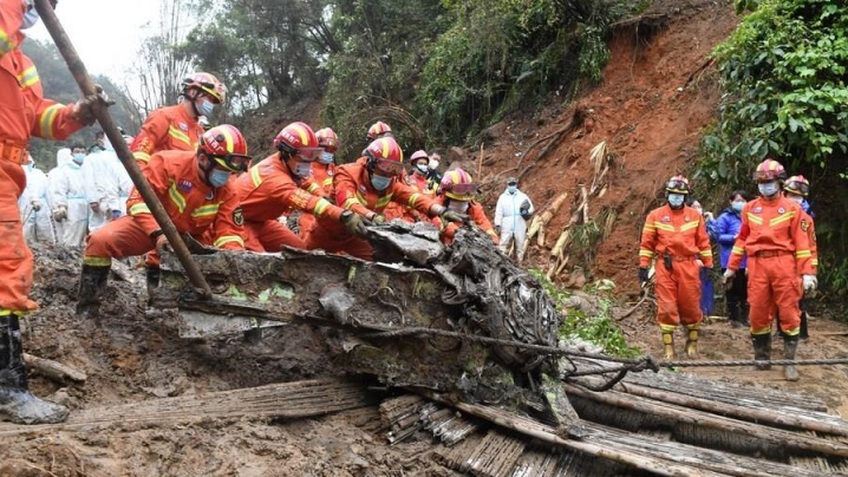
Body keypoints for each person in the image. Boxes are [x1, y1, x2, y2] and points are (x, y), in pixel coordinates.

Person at [1, 0, 110, 424]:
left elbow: (34, 115)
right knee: (6, 268)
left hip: (10, 168)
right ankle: (6, 388)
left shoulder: (20, 58)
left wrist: (76, 114)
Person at [78, 125, 251, 315]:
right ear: (203, 159)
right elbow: (137, 201)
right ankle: (88, 308)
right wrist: (158, 232)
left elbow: (230, 233)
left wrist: (234, 261)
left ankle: (176, 305)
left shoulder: (228, 188)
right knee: (100, 241)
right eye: (223, 170)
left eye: (230, 172)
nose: (226, 177)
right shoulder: (168, 164)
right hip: (150, 227)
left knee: (200, 281)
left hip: (193, 239)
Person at [723, 159, 816, 381]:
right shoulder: (749, 208)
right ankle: (761, 359)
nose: (765, 185)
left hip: (785, 264)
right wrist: (731, 268)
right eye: (761, 182)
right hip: (757, 265)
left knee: (789, 312)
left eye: (769, 181)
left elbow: (803, 246)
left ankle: (789, 362)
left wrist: (808, 274)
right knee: (757, 312)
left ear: (780, 182)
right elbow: (742, 240)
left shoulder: (794, 210)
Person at [304, 136, 467, 260]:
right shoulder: (347, 173)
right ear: (371, 163)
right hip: (326, 232)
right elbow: (347, 202)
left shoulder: (390, 183)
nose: (389, 173)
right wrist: (372, 216)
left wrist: (441, 211)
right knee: (301, 258)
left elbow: (414, 197)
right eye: (385, 167)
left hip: (356, 235)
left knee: (378, 263)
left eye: (394, 169)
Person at [237, 122, 365, 252]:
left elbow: (307, 183)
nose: (309, 161)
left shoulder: (288, 165)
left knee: (299, 251)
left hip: (261, 221)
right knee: (259, 263)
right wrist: (343, 215)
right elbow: (306, 201)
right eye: (306, 155)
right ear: (287, 153)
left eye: (313, 154)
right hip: (239, 221)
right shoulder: (274, 178)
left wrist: (323, 197)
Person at [638, 175, 713, 359]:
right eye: (673, 194)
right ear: (667, 194)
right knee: (667, 306)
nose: (676, 197)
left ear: (686, 196)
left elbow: (703, 242)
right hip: (666, 266)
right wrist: (643, 266)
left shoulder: (695, 216)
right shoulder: (655, 216)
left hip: (688, 265)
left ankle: (692, 342)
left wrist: (709, 265)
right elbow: (647, 244)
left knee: (691, 306)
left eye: (680, 195)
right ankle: (668, 347)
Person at [130, 72, 226, 167]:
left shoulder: (201, 134)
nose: (211, 104)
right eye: (209, 98)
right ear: (193, 92)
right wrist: (143, 179)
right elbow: (139, 154)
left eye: (214, 101)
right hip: (152, 180)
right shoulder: (164, 116)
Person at [780, 175, 817, 340]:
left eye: (799, 197)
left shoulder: (807, 219)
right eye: (792, 195)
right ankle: (780, 331)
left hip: (799, 266)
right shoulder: (776, 215)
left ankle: (801, 333)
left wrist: (811, 272)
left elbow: (811, 246)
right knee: (779, 299)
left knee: (799, 300)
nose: (796, 199)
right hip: (779, 264)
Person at [707, 190, 750, 328]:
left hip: (748, 261)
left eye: (744, 200)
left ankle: (746, 318)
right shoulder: (725, 217)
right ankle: (734, 319)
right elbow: (717, 236)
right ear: (731, 202)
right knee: (732, 290)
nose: (741, 203)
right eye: (738, 200)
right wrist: (733, 238)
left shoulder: (749, 217)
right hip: (729, 259)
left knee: (747, 291)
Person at [436, 168, 498, 245]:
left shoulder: (474, 207)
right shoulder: (435, 207)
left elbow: (484, 224)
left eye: (464, 201)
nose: (462, 203)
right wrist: (460, 233)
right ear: (445, 196)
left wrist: (492, 237)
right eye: (457, 200)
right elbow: (436, 223)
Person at [298, 127, 339, 239]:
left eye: (332, 150)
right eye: (326, 149)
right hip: (310, 214)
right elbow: (306, 184)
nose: (329, 153)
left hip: (331, 214)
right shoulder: (305, 167)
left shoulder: (333, 168)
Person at [47, 143, 89, 246]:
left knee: (86, 238)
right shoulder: (65, 170)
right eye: (77, 152)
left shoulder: (87, 169)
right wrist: (61, 206)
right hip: (73, 206)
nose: (80, 154)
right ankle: (69, 257)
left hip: (87, 205)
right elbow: (59, 190)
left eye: (83, 152)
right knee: (72, 234)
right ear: (72, 154)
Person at [384, 149, 433, 223]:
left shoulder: (430, 184)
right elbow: (404, 199)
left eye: (425, 164)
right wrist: (414, 213)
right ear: (414, 165)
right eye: (421, 163)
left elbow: (433, 201)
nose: (423, 166)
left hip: (427, 220)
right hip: (409, 219)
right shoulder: (407, 181)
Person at [494, 177, 535, 264]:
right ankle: (501, 263)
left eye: (513, 184)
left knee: (520, 245)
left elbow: (531, 207)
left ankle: (519, 263)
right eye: (510, 184)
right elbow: (499, 212)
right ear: (507, 185)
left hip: (519, 221)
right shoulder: (502, 197)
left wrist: (525, 212)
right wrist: (498, 223)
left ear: (516, 185)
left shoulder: (522, 196)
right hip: (506, 222)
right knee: (504, 244)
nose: (512, 186)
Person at [19, 156, 54, 244]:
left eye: (29, 162)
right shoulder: (19, 173)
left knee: (45, 231)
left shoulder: (39, 173)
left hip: (42, 206)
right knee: (26, 233)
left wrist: (53, 208)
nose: (27, 165)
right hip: (25, 205)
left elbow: (48, 191)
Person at [690, 200, 714, 318]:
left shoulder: (706, 223)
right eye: (694, 207)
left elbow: (715, 235)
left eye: (699, 206)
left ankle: (706, 313)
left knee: (706, 287)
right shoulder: (687, 224)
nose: (697, 209)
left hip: (706, 260)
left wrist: (712, 220)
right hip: (690, 261)